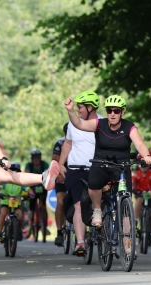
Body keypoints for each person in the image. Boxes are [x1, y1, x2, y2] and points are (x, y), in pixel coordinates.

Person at [65, 94, 151, 255]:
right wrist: (71, 111)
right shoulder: (100, 124)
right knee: (94, 184)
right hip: (101, 164)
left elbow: (139, 143)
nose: (112, 114)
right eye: (109, 110)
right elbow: (79, 124)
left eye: (116, 111)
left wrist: (146, 156)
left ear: (122, 112)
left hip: (122, 167)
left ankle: (127, 244)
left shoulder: (129, 127)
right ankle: (98, 210)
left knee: (125, 206)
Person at [59, 91, 102, 255]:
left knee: (98, 203)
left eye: (80, 107)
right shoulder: (72, 124)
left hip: (97, 170)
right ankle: (81, 242)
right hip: (76, 170)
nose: (78, 110)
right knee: (78, 205)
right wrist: (62, 164)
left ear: (90, 108)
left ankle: (103, 234)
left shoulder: (103, 123)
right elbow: (68, 144)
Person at [0, 163, 35, 242]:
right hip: (6, 202)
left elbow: (29, 190)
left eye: (17, 172)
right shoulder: (6, 182)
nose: (14, 174)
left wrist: (31, 194)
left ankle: (18, 230)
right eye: (12, 171)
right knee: (3, 213)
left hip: (16, 205)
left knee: (20, 216)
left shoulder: (20, 183)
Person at [24, 148, 51, 238]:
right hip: (33, 187)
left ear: (40, 158)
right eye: (34, 157)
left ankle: (45, 226)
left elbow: (49, 173)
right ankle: (30, 221)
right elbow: (25, 175)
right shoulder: (29, 165)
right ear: (32, 158)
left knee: (44, 205)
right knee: (32, 202)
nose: (36, 159)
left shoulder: (44, 164)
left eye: (38, 157)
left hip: (43, 187)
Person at [53, 123, 68, 247]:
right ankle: (59, 232)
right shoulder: (60, 143)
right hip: (62, 174)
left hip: (77, 172)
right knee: (61, 202)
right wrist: (58, 173)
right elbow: (55, 159)